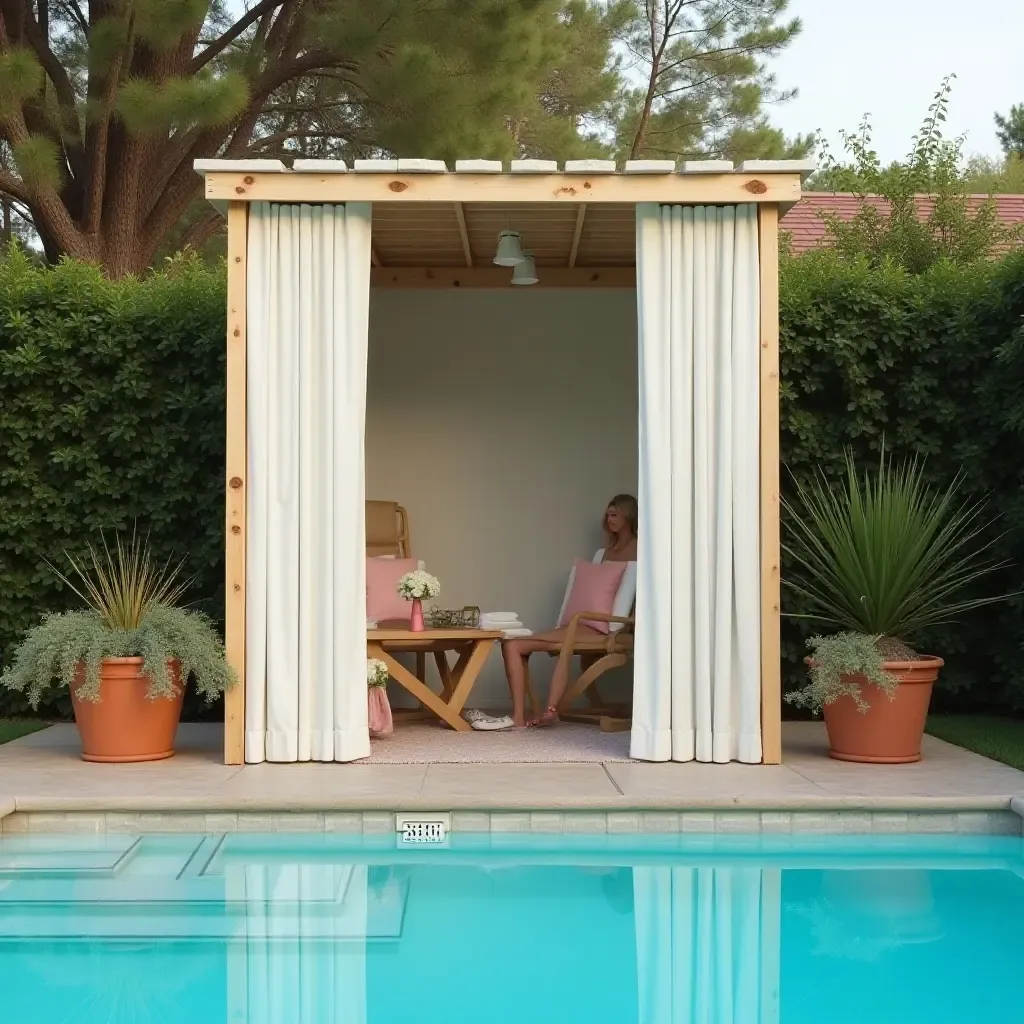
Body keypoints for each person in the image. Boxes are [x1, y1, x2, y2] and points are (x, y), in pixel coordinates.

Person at [501, 494, 637, 728]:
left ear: (628, 516)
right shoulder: (601, 554)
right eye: (607, 514)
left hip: (604, 627)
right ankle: (519, 716)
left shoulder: (643, 550)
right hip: (581, 622)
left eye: (614, 514)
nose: (609, 518)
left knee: (561, 637)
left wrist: (630, 622)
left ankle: (551, 710)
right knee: (512, 644)